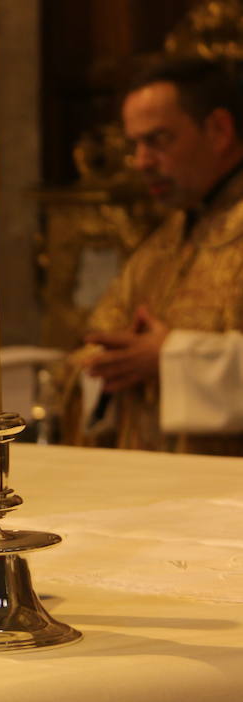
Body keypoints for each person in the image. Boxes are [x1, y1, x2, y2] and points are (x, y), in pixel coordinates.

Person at [72, 57, 243, 455]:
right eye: (135, 143)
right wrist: (106, 360)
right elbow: (93, 343)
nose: (141, 161)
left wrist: (169, 357)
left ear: (219, 130)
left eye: (158, 140)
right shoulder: (160, 244)